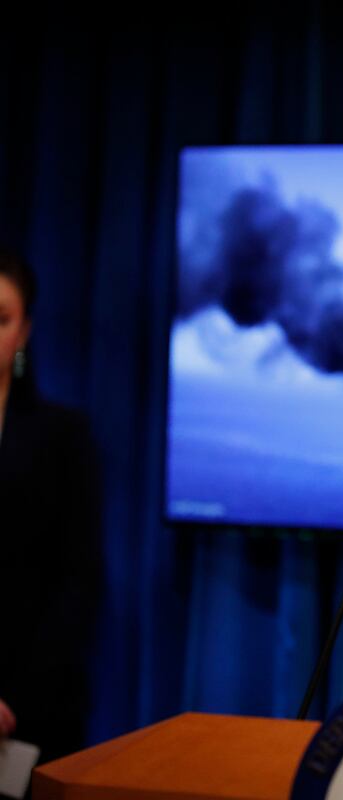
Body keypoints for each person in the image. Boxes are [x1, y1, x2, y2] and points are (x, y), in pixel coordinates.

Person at [0, 249, 102, 772]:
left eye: (1, 318)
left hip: (32, 713)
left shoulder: (63, 436)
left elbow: (78, 583)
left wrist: (13, 700)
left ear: (25, 332)